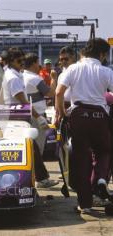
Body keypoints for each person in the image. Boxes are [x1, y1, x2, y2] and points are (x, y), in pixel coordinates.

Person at [55, 38, 113, 214]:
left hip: (78, 115)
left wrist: (61, 113)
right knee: (104, 150)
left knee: (81, 159)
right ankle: (100, 180)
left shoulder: (73, 68)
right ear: (102, 54)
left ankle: (85, 204)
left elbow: (59, 92)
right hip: (99, 115)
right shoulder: (106, 71)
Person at [1, 47, 59, 188]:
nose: (22, 62)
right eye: (18, 60)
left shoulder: (15, 74)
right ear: (10, 61)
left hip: (18, 117)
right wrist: (39, 117)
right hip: (17, 119)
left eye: (22, 59)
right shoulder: (13, 77)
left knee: (32, 150)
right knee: (31, 149)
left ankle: (39, 178)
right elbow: (24, 102)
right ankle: (38, 179)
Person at [23, 53, 56, 155]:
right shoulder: (35, 78)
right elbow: (50, 93)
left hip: (24, 115)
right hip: (37, 115)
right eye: (38, 63)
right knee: (38, 145)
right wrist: (53, 78)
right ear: (33, 64)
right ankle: (37, 168)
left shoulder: (20, 76)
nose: (40, 65)